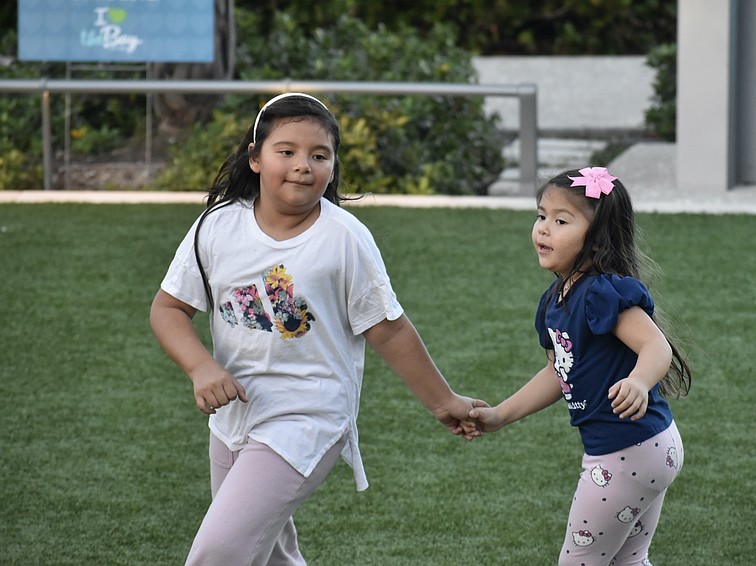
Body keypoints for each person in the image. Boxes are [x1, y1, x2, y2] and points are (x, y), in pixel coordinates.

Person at [150, 93, 480, 566]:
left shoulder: (344, 237)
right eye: (286, 151)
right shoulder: (216, 226)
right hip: (232, 419)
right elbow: (168, 308)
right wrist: (201, 367)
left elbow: (387, 329)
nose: (303, 165)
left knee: (219, 553)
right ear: (256, 158)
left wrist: (445, 402)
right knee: (270, 555)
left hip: (307, 418)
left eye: (319, 155)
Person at [469, 167, 691, 566]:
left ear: (597, 237)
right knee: (628, 560)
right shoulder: (556, 300)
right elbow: (559, 371)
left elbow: (656, 346)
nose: (543, 229)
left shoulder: (601, 292)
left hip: (625, 452)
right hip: (645, 448)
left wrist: (639, 382)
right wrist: (501, 415)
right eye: (541, 216)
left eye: (561, 220)